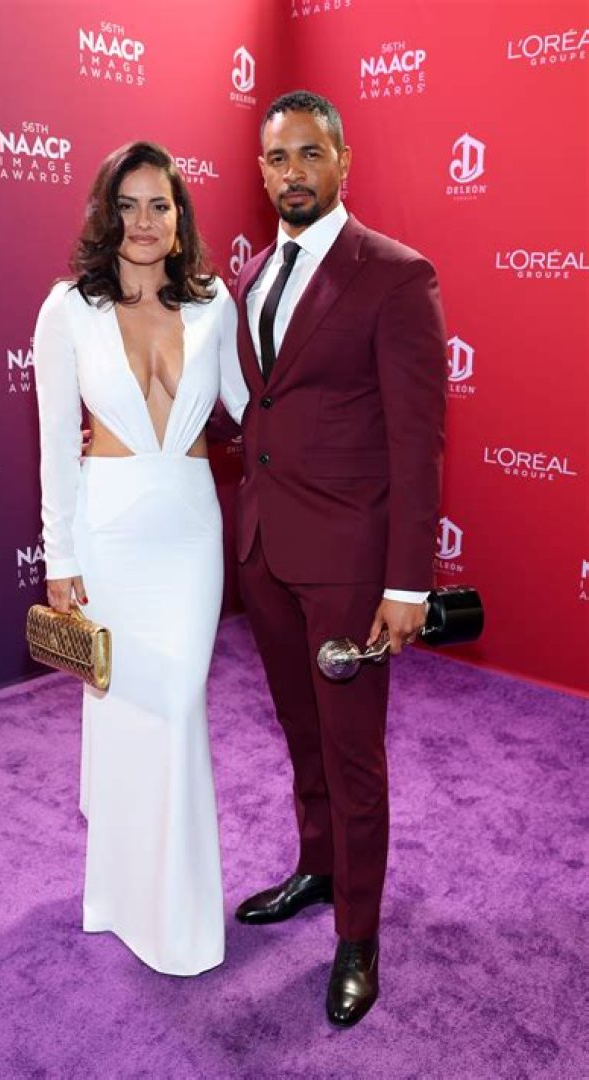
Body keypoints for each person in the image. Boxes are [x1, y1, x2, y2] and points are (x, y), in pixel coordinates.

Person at [232, 91, 447, 1026]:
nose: (294, 173)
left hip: (353, 565)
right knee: (302, 734)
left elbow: (417, 443)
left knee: (354, 754)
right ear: (262, 171)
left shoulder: (395, 274)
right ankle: (318, 869)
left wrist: (407, 584)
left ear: (343, 161)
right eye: (278, 158)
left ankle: (358, 936)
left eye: (310, 154)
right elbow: (262, 408)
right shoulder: (251, 275)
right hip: (266, 553)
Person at [32, 142, 247, 977]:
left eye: (161, 205)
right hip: (110, 531)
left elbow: (250, 407)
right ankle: (123, 898)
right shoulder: (68, 309)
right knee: (124, 709)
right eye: (128, 205)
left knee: (180, 705)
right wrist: (60, 555)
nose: (146, 221)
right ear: (106, 214)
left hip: (190, 531)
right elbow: (56, 444)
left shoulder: (214, 304)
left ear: (180, 217)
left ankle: (179, 919)